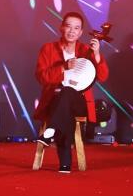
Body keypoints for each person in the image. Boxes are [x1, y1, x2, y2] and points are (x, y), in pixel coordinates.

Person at [34, 11, 109, 173]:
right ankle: (65, 163)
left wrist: (96, 54)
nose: (71, 31)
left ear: (81, 32)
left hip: (79, 103)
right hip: (54, 100)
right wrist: (63, 67)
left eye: (76, 28)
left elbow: (103, 76)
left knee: (67, 94)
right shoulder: (48, 49)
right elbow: (41, 77)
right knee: (64, 101)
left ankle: (51, 132)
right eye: (68, 26)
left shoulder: (86, 50)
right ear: (61, 28)